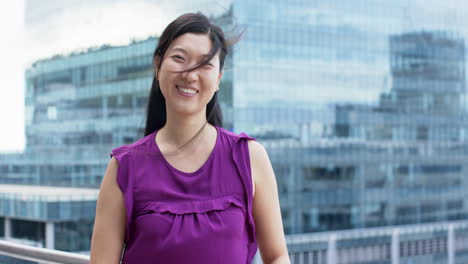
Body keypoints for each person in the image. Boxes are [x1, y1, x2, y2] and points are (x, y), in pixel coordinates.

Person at [90, 12, 290, 264]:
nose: (191, 73)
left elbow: (277, 256)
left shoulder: (249, 156)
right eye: (179, 58)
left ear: (218, 78)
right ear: (157, 65)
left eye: (205, 64)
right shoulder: (124, 167)